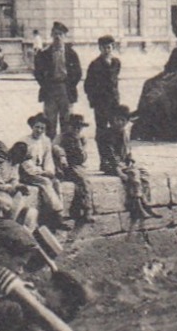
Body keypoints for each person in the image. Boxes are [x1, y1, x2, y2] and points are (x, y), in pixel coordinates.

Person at [32, 21, 82, 138]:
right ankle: (50, 149)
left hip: (66, 89)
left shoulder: (71, 54)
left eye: (60, 34)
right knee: (50, 122)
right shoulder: (44, 53)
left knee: (67, 121)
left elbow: (78, 73)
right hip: (50, 90)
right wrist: (45, 84)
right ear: (51, 35)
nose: (57, 37)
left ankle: (65, 148)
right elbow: (38, 72)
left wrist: (70, 84)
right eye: (55, 34)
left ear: (65, 36)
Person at [83, 35, 121, 174]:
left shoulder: (116, 63)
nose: (107, 50)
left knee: (116, 131)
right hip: (101, 104)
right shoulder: (95, 64)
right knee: (102, 132)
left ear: (113, 48)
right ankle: (104, 161)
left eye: (109, 47)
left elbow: (115, 83)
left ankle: (116, 160)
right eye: (104, 47)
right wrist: (94, 101)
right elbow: (88, 85)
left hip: (114, 103)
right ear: (100, 48)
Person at [55, 114, 95, 226]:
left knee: (83, 184)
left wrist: (79, 145)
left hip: (77, 166)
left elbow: (82, 158)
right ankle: (88, 210)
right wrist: (62, 156)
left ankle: (76, 210)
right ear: (69, 126)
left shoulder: (81, 139)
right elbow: (56, 147)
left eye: (79, 127)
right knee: (83, 181)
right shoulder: (62, 137)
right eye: (74, 126)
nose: (76, 129)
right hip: (65, 167)